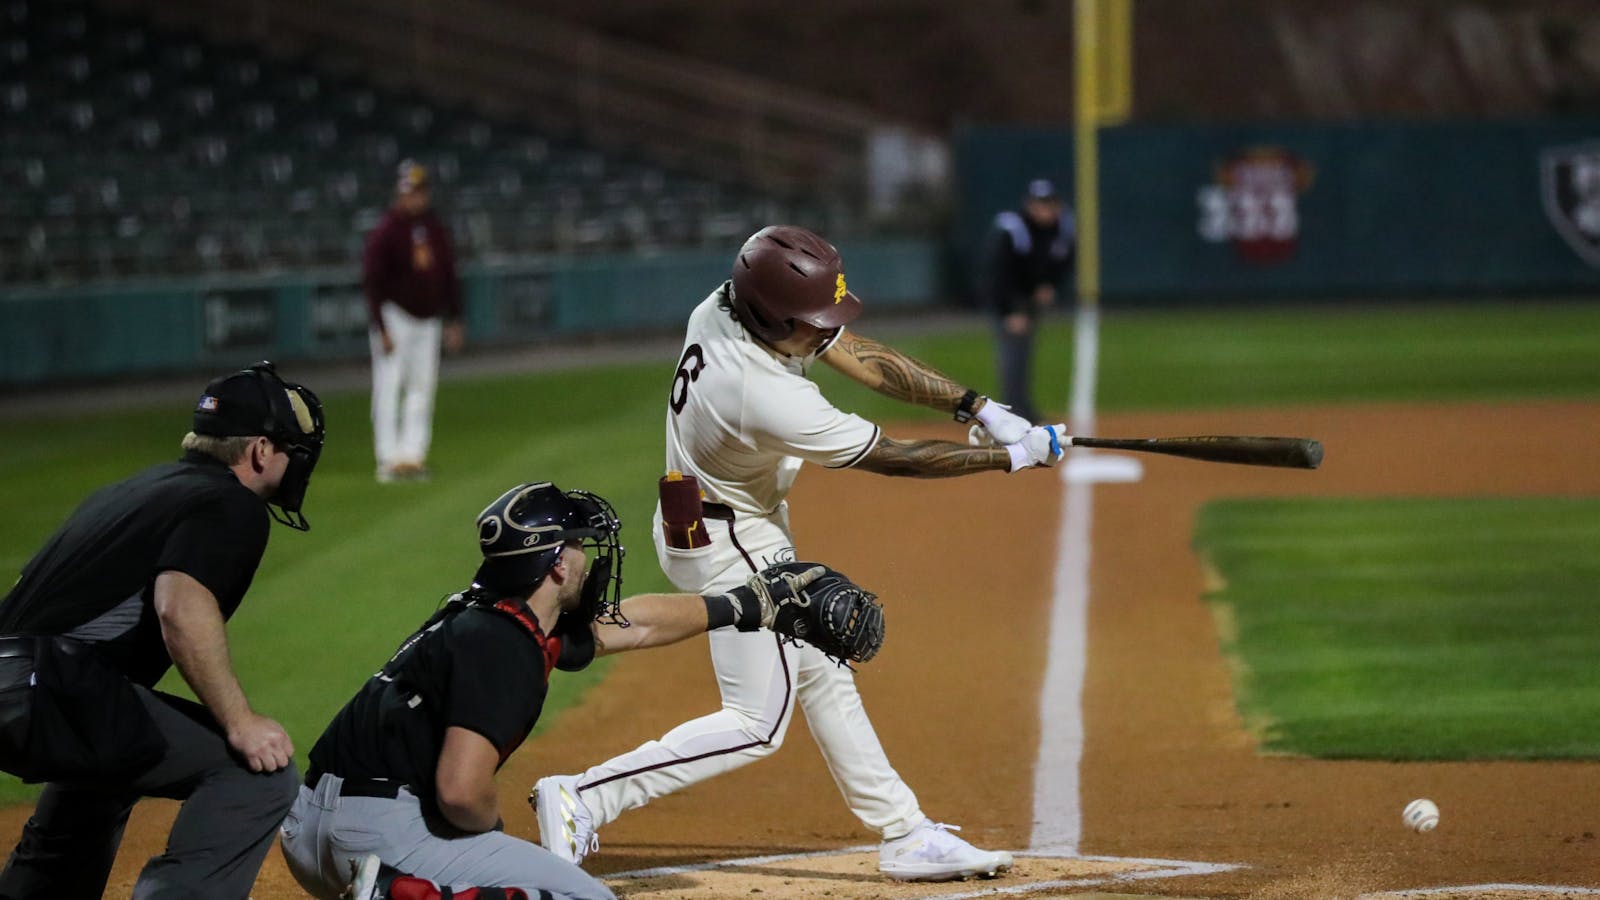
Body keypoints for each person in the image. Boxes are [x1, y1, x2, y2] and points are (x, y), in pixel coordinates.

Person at [532, 225, 1066, 883]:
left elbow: (862, 356)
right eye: (812, 323)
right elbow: (895, 458)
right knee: (757, 722)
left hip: (705, 514)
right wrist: (1011, 456)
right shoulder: (762, 393)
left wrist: (977, 406)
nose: (824, 334)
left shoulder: (728, 305)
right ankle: (584, 795)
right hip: (732, 540)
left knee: (823, 669)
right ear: (771, 315)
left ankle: (904, 831)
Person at [280, 481, 867, 900]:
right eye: (580, 547)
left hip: (307, 835)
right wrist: (490, 833)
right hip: (378, 840)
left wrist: (744, 606)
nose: (589, 560)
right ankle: (400, 893)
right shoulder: (505, 645)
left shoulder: (486, 617)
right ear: (557, 564)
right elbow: (460, 793)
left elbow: (630, 626)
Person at [0, 361, 325, 899]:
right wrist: (240, 722)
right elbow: (180, 605)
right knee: (257, 778)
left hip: (30, 678)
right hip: (47, 683)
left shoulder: (139, 488)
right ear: (261, 451)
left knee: (114, 760)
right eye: (293, 452)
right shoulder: (231, 503)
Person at [364, 158, 465, 484]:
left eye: (419, 192)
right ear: (399, 193)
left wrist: (454, 317)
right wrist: (380, 326)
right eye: (409, 192)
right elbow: (372, 281)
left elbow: (448, 274)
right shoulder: (386, 230)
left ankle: (413, 455)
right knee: (389, 386)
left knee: (422, 388)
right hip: (396, 316)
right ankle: (388, 458)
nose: (415, 198)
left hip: (429, 319)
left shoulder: (434, 228)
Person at [980, 177, 1075, 423]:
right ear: (1030, 205)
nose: (1045, 210)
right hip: (1007, 302)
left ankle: (1022, 408)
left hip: (1028, 302)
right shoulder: (1013, 229)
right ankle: (1010, 414)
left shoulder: (1059, 229)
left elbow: (1061, 263)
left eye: (1049, 204)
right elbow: (998, 274)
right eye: (1040, 204)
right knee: (1012, 357)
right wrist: (1011, 311)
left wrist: (1049, 285)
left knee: (1024, 356)